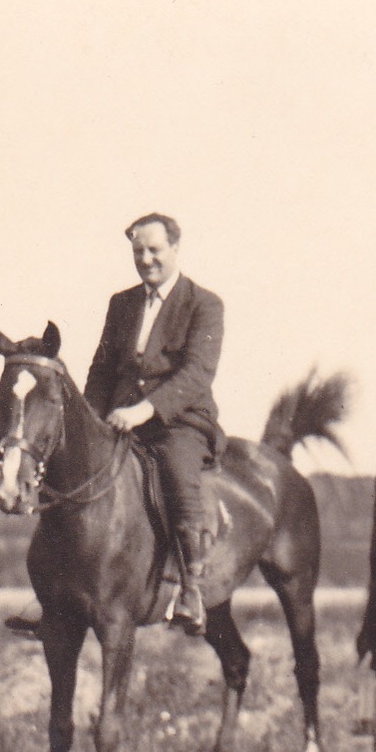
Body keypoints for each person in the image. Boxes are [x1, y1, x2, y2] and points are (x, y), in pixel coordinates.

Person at [84, 212, 225, 634]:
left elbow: (197, 374)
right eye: (138, 251)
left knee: (179, 478)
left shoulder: (204, 304)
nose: (146, 259)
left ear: (175, 249)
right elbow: (101, 370)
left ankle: (191, 590)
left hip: (178, 422)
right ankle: (56, 590)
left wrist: (144, 410)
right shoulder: (121, 303)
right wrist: (91, 420)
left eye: (154, 250)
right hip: (119, 420)